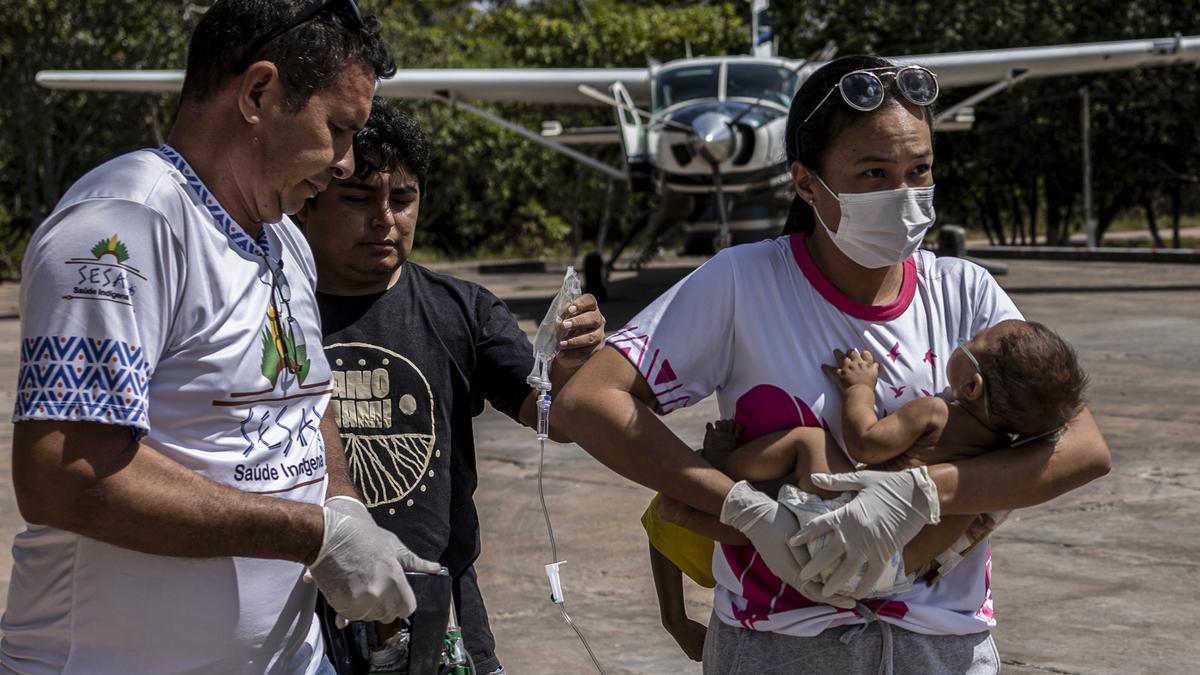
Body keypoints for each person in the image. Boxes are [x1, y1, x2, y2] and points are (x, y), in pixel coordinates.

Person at [554, 54, 1110, 673]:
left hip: (944, 650)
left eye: (918, 169)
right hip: (781, 649)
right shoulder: (743, 282)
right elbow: (590, 402)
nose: (903, 192)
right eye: (874, 171)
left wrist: (920, 492)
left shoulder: (967, 293)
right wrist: (743, 508)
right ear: (806, 183)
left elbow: (1083, 450)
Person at [2, 2, 439, 673]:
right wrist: (312, 534)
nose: (349, 163)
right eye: (339, 129)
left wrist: (343, 501)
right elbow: (64, 474)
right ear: (259, 93)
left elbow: (306, 396)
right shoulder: (124, 228)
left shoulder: (286, 239)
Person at [295, 98, 607, 674]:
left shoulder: (462, 310)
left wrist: (571, 363)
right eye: (359, 199)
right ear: (308, 201)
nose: (385, 218)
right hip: (300, 613)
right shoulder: (274, 308)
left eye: (403, 199)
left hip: (440, 610)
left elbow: (554, 417)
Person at [647, 319, 1090, 658]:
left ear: (971, 385)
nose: (963, 340)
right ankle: (689, 515)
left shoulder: (936, 413)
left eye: (969, 345)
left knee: (807, 445)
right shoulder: (1003, 464)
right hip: (887, 578)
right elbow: (965, 536)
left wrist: (859, 389)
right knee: (776, 531)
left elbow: (866, 443)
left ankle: (721, 467)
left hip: (849, 523)